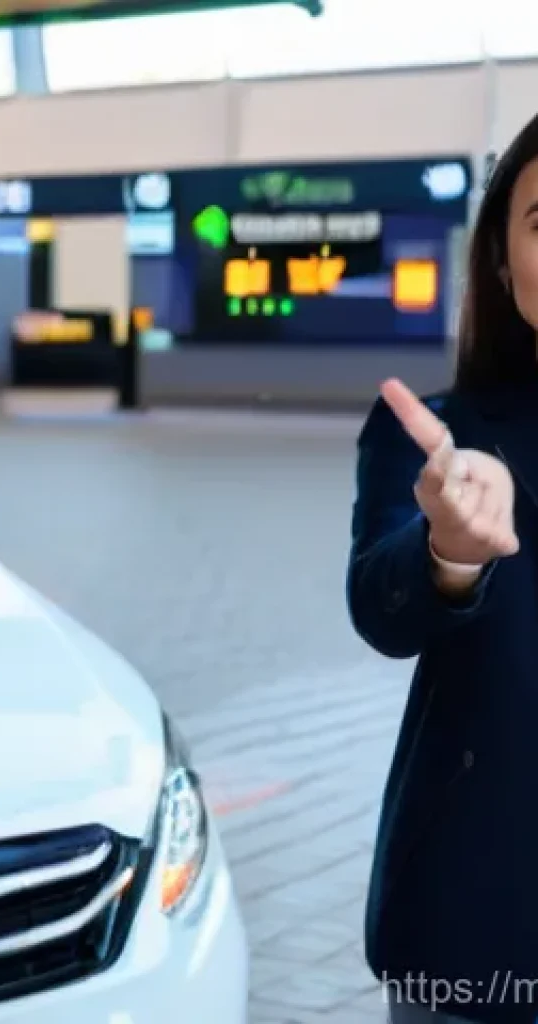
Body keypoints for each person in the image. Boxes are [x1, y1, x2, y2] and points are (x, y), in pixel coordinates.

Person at [349, 110, 538, 1024]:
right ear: (503, 262)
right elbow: (380, 610)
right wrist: (449, 554)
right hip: (481, 927)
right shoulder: (432, 436)